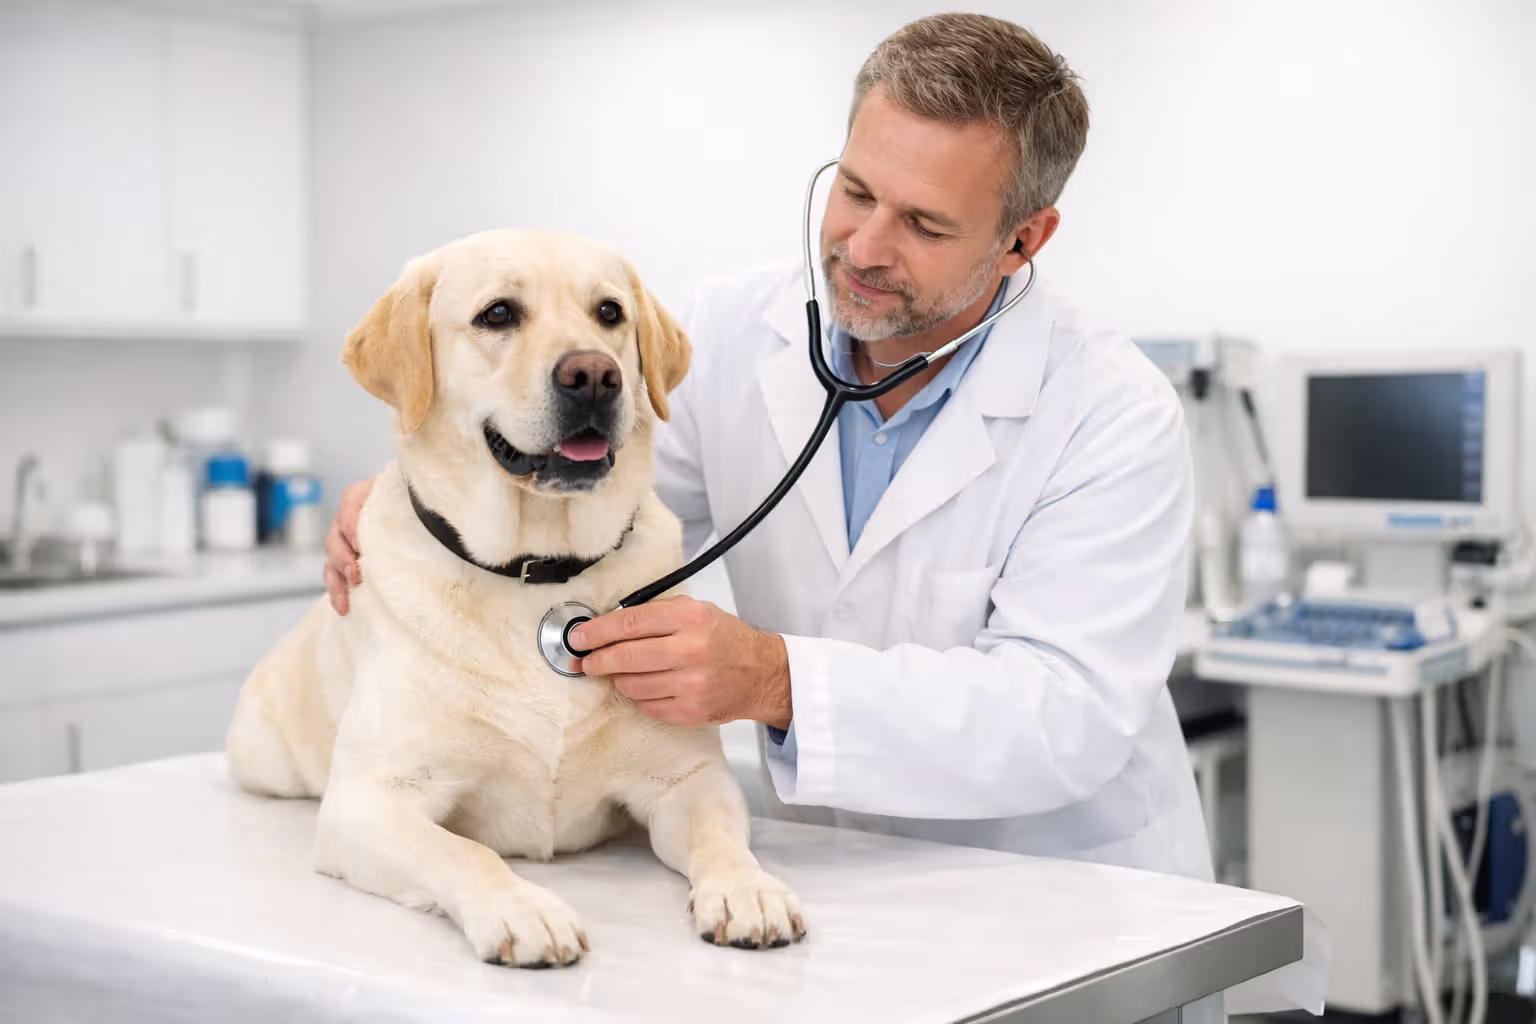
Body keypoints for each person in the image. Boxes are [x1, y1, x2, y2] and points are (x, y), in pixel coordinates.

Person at [328, 7, 1215, 950]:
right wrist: (417, 511)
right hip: (824, 882)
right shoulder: (739, 332)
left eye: (922, 223)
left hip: (1056, 900)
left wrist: (778, 681)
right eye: (856, 191)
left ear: (1022, 241)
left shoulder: (1112, 412)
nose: (865, 246)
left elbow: (1064, 716)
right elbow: (588, 503)